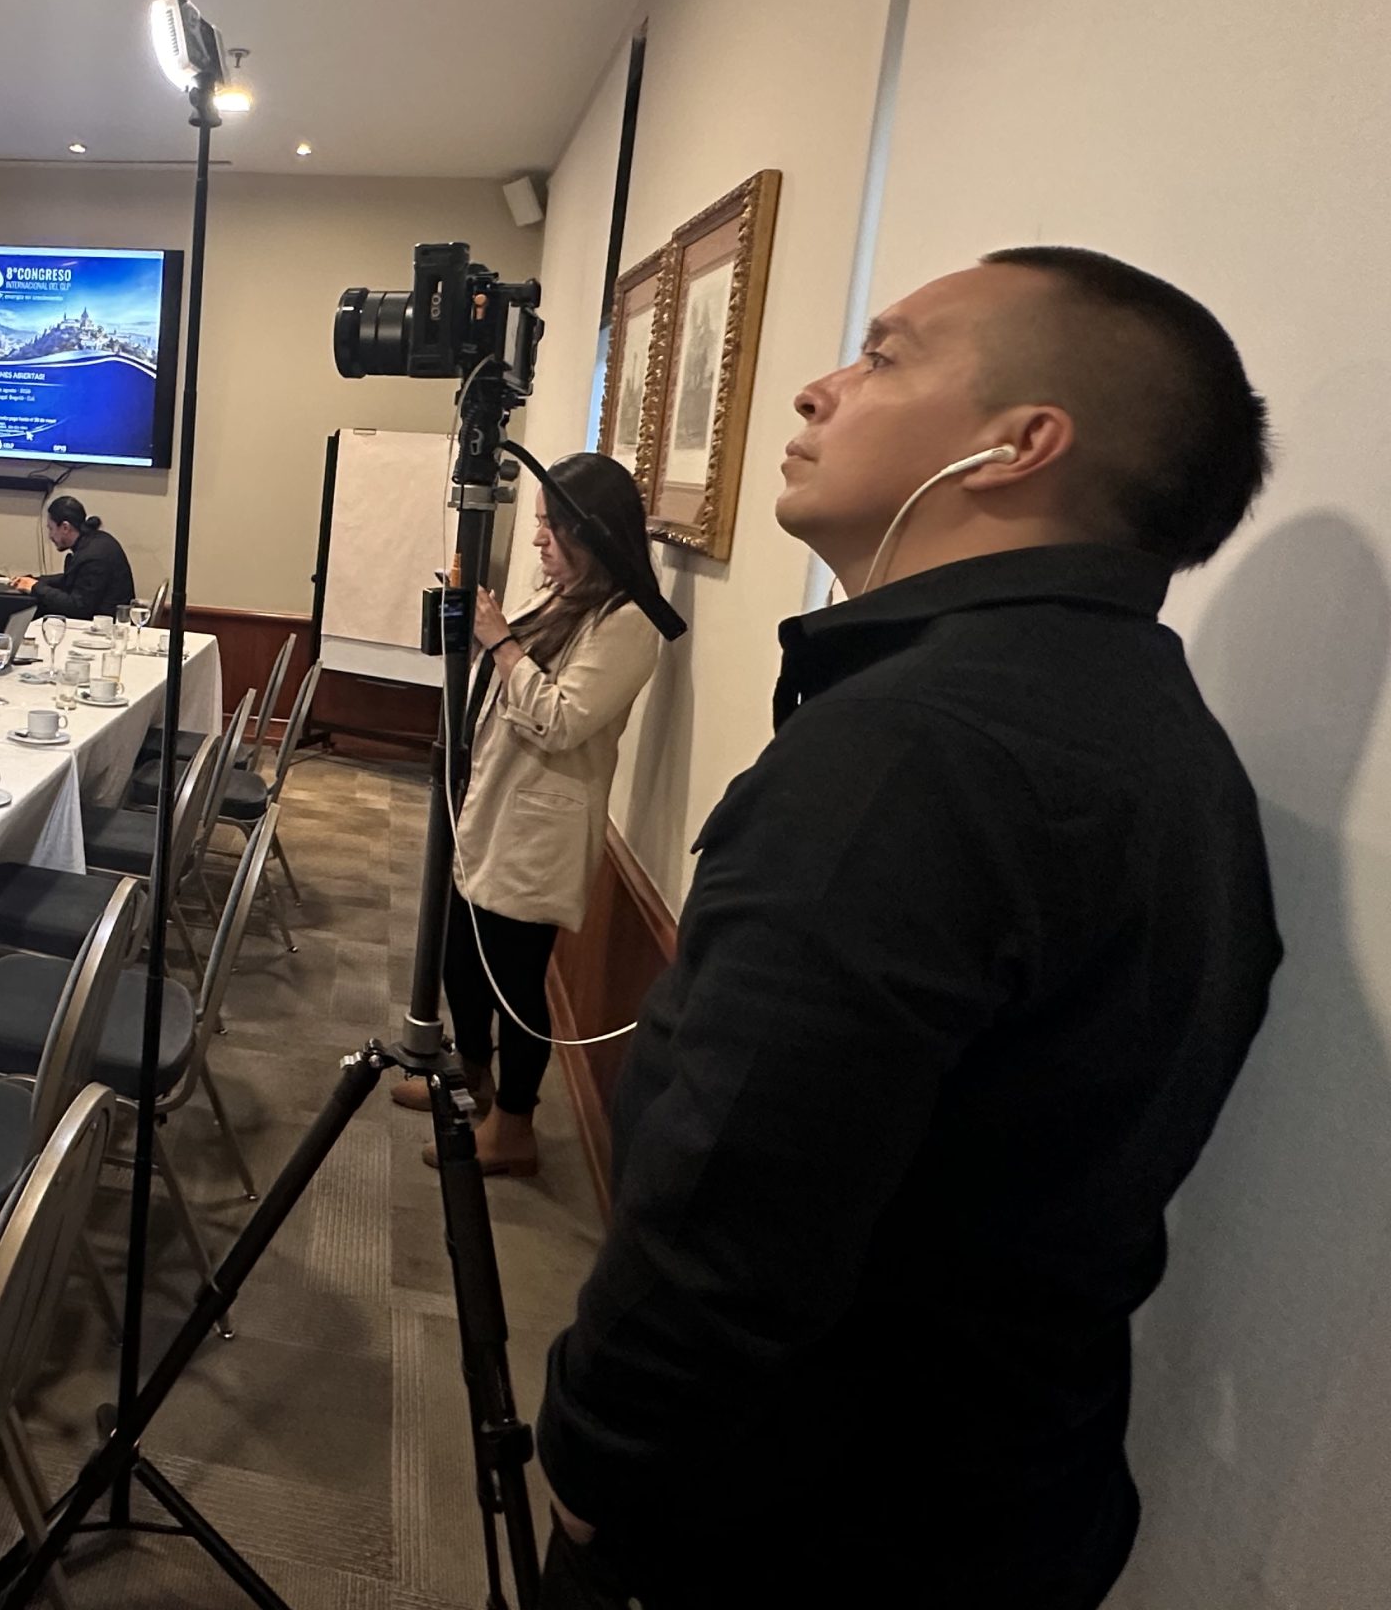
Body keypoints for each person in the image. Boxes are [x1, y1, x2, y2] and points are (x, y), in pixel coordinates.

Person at [533, 249, 1280, 1610]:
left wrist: (595, 1466)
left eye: (882, 356)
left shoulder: (910, 751)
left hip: (793, 1530)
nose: (816, 390)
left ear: (1019, 445)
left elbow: (734, 1202)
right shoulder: (1158, 731)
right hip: (1003, 1497)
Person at [393, 454, 662, 1177]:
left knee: (514, 984)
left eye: (553, 526)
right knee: (461, 963)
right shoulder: (563, 596)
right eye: (540, 523)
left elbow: (563, 718)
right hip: (493, 808)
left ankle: (515, 1126)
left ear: (594, 531)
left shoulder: (628, 620)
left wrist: (501, 641)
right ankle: (471, 1080)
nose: (540, 539)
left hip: (537, 830)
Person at [11, 496, 136, 617]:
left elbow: (78, 607)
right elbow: (72, 579)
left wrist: (35, 587)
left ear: (65, 527)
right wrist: (35, 581)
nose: (50, 536)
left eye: (51, 528)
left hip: (106, 626)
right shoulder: (96, 540)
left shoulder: (93, 557)